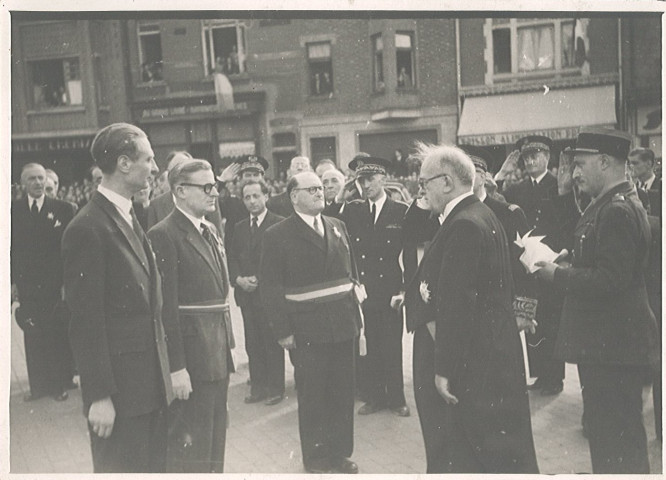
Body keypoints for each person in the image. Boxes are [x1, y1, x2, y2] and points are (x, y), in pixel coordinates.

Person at [404, 144, 538, 474]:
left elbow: (456, 306)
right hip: (484, 357)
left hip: (464, 366)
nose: (421, 193)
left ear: (447, 182)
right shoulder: (480, 213)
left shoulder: (462, 225)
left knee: (458, 453)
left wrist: (443, 370)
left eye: (424, 184)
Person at [536, 128, 659, 474]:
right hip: (611, 348)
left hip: (613, 352)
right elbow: (604, 265)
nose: (575, 173)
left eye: (580, 164)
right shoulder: (608, 205)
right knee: (612, 441)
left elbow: (611, 280)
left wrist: (557, 275)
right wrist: (570, 262)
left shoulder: (615, 210)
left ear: (604, 163)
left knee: (616, 445)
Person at [62, 123, 173, 473]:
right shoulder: (88, 227)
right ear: (124, 164)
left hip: (148, 387)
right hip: (121, 397)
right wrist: (99, 396)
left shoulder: (125, 214)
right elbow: (85, 320)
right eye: (149, 159)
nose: (155, 169)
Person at [260, 172, 361, 474]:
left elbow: (352, 273)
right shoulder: (277, 235)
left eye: (321, 188)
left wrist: (358, 318)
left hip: (343, 325)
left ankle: (340, 453)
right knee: (314, 394)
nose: (320, 192)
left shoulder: (338, 226)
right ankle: (316, 457)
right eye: (312, 189)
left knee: (343, 393)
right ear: (294, 197)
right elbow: (271, 287)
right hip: (306, 330)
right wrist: (282, 331)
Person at [148, 159, 235, 472]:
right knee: (191, 448)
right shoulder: (164, 234)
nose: (214, 193)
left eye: (214, 185)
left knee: (214, 441)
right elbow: (165, 308)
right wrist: (176, 367)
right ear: (180, 191)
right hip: (191, 357)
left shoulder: (209, 228)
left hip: (216, 351)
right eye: (206, 187)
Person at [341, 155, 411, 417]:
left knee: (392, 344)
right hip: (366, 289)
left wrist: (404, 289)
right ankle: (375, 398)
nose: (366, 185)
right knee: (371, 343)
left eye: (370, 179)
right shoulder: (353, 210)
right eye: (361, 180)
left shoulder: (401, 211)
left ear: (383, 179)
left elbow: (409, 255)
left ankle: (396, 399)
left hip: (391, 289)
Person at [500, 135, 565, 395]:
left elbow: (566, 220)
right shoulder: (517, 189)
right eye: (526, 157)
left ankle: (555, 377)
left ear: (547, 158)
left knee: (551, 319)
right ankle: (539, 373)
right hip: (526, 263)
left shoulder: (558, 185)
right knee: (529, 316)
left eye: (536, 155)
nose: (530, 160)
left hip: (551, 261)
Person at [12, 162, 77, 402]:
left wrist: (66, 283)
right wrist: (12, 283)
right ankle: (38, 388)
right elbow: (10, 249)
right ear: (23, 184)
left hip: (54, 284)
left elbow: (70, 250)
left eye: (41, 178)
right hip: (28, 285)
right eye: (32, 179)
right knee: (32, 334)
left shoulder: (62, 209)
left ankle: (58, 384)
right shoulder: (13, 210)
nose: (38, 183)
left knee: (55, 334)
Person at [462, 145, 538, 335]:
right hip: (465, 309)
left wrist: (524, 312)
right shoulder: (451, 214)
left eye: (475, 172)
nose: (469, 178)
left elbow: (528, 263)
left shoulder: (507, 213)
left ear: (484, 177)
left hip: (499, 309)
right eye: (464, 172)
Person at [228, 179, 285, 406]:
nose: (252, 201)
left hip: (269, 296)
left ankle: (276, 388)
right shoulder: (239, 227)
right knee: (253, 342)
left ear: (266, 196)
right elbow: (231, 259)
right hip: (247, 296)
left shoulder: (278, 224)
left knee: (272, 341)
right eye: (247, 197)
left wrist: (261, 280)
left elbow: (281, 261)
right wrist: (239, 279)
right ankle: (258, 387)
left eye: (256, 196)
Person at [145, 151, 222, 232]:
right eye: (176, 171)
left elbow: (219, 233)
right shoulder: (156, 205)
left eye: (189, 168)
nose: (214, 193)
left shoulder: (211, 227)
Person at [218, 154, 270, 245]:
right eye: (248, 175)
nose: (252, 179)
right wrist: (222, 181)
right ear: (240, 178)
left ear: (262, 178)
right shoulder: (231, 203)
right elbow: (212, 205)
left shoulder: (272, 203)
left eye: (256, 175)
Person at [629, 147, 661, 219]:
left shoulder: (661, 188)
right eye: (629, 163)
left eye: (635, 163)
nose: (630, 167)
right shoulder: (631, 189)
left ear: (648, 164)